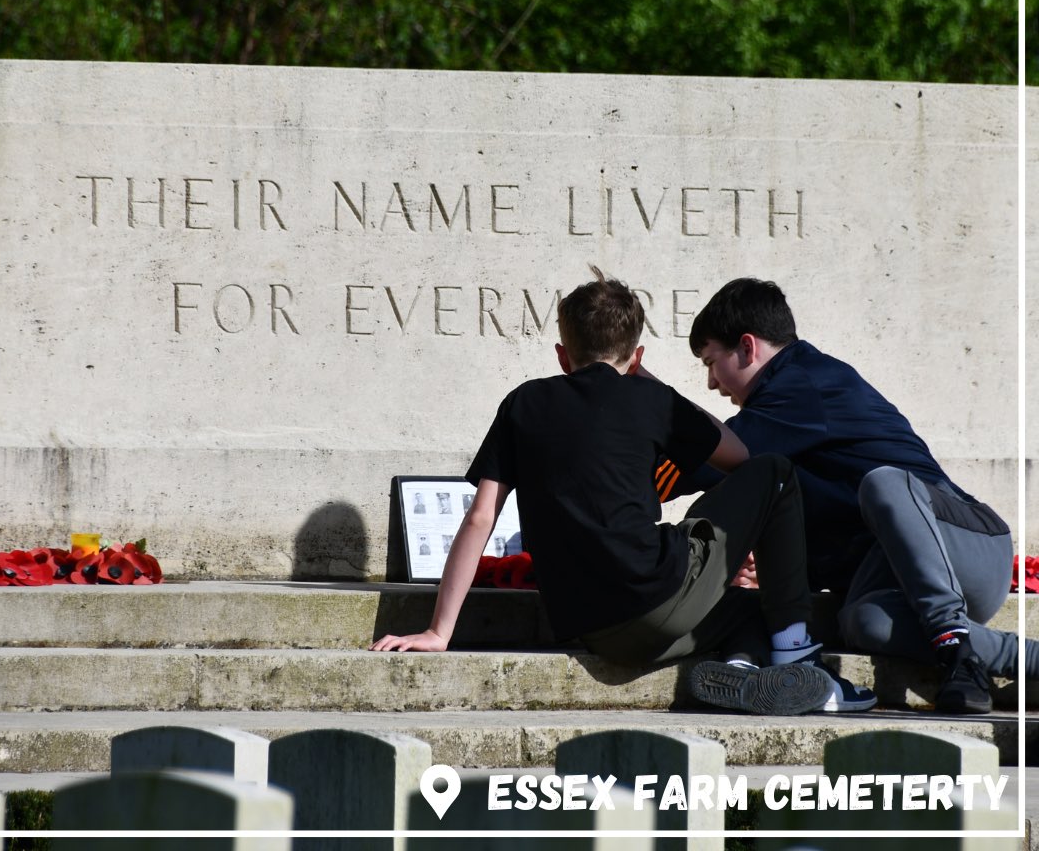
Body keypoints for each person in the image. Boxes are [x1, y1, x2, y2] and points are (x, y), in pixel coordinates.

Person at [371, 268, 875, 716]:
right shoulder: (651, 399)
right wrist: (656, 390)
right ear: (637, 356)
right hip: (657, 598)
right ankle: (795, 653)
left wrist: (439, 632)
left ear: (562, 355)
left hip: (592, 627)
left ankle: (740, 668)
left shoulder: (523, 403)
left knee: (743, 613)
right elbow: (742, 459)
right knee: (777, 472)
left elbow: (481, 517)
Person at [686, 276, 1035, 715]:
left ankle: (955, 651)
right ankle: (1018, 657)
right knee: (861, 622)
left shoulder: (802, 381)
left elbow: (704, 458)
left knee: (885, 482)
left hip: (971, 547)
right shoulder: (784, 417)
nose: (712, 383)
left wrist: (639, 419)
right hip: (897, 580)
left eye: (710, 362)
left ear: (748, 347)